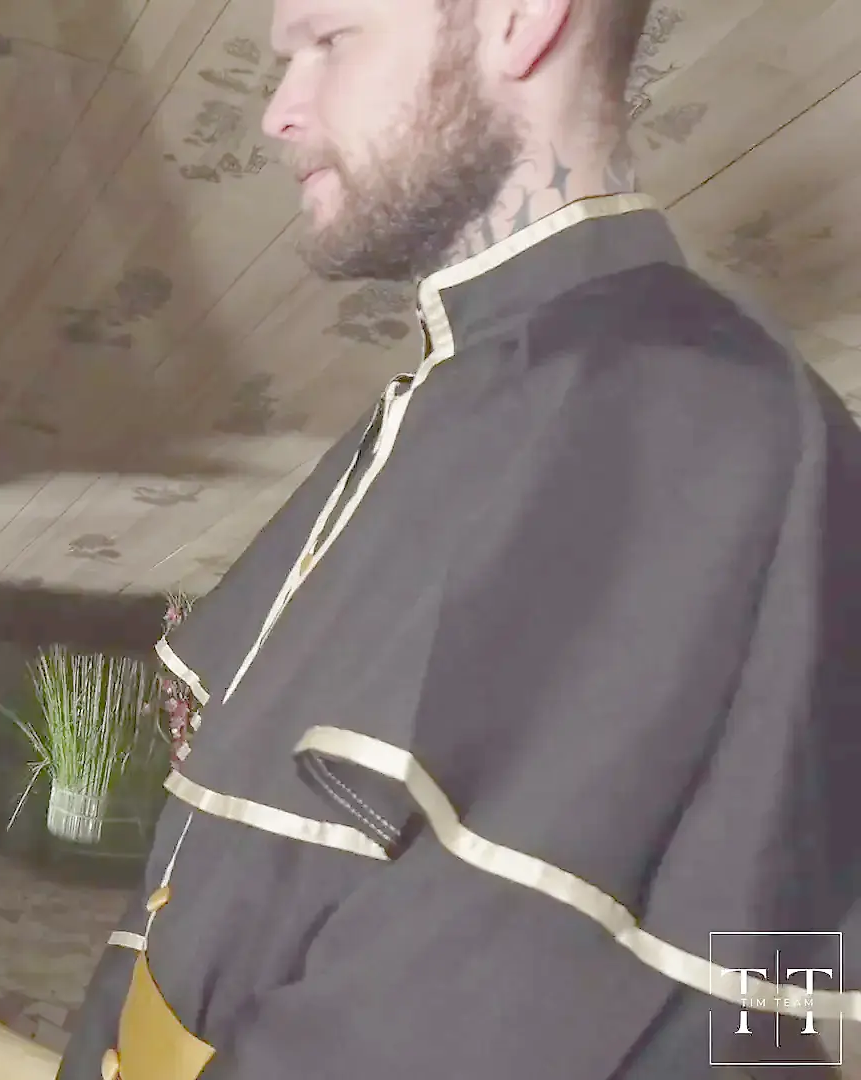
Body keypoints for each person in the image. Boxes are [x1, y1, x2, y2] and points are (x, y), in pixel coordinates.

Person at [61, 1, 861, 1078]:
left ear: (522, 20)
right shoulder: (454, 400)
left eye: (330, 41)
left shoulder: (698, 411)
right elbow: (190, 885)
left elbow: (466, 1012)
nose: (277, 113)